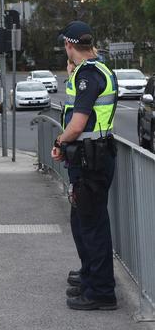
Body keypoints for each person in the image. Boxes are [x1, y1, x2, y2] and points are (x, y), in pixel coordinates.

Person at [51, 21, 118, 310]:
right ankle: (91, 276)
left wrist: (59, 140)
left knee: (91, 226)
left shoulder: (88, 76)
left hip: (91, 159)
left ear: (69, 45)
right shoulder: (96, 69)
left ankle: (101, 292)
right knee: (83, 222)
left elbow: (77, 125)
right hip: (91, 157)